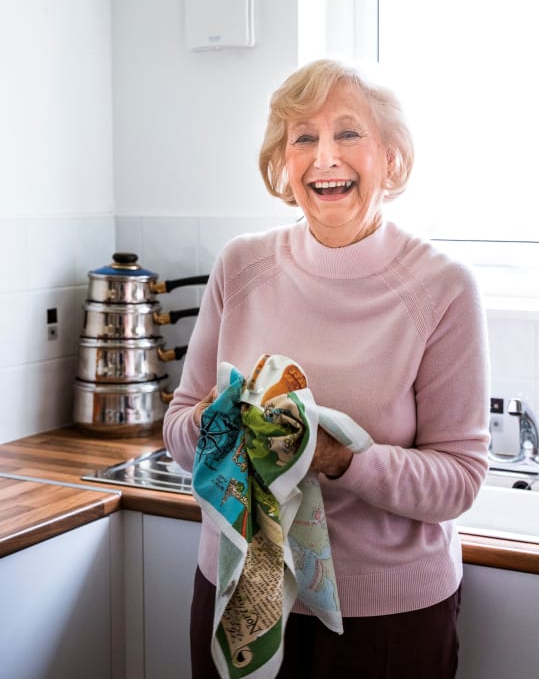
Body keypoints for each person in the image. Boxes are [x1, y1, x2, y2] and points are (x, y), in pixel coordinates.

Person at [163, 58, 490, 678]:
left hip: (385, 617)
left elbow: (460, 480)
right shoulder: (240, 267)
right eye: (303, 137)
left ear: (391, 159)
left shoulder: (441, 289)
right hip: (237, 596)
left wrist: (340, 460)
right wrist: (216, 423)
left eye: (348, 133)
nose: (325, 157)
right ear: (282, 164)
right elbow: (180, 432)